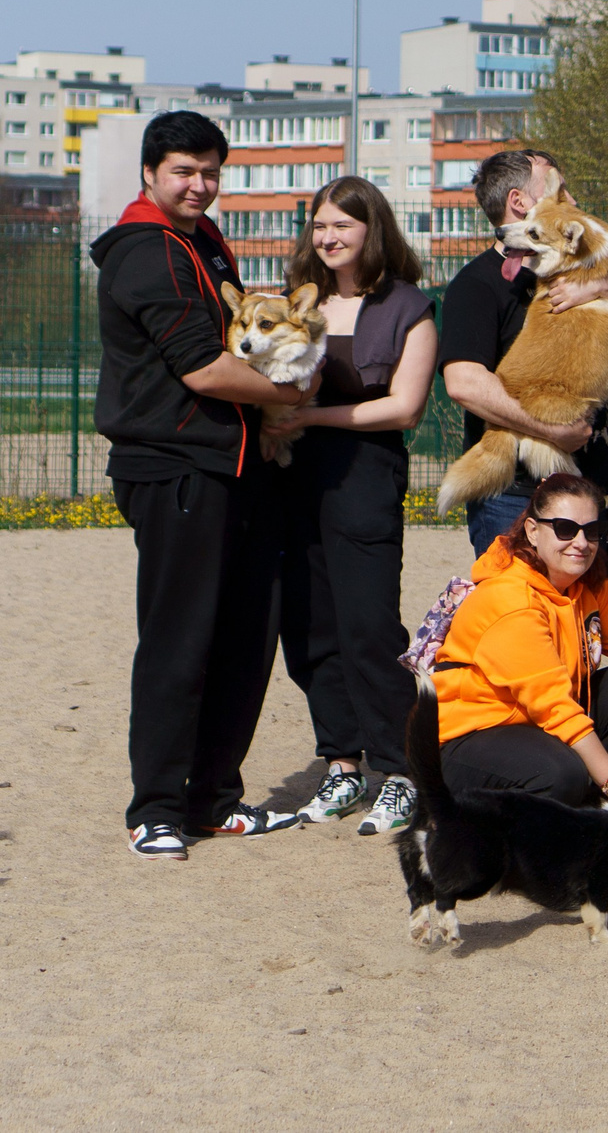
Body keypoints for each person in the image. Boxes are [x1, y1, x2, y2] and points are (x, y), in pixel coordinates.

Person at [95, 111, 317, 857]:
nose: (199, 184)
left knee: (244, 636)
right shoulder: (146, 252)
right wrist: (292, 393)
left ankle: (213, 798)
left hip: (235, 467)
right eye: (185, 170)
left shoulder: (203, 240)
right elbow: (202, 368)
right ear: (151, 173)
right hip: (177, 466)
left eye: (210, 171)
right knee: (179, 639)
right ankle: (155, 807)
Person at [266, 176, 437, 839]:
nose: (330, 237)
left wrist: (312, 413)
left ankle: (403, 770)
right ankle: (342, 762)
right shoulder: (294, 303)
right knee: (309, 629)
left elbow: (403, 406)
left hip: (363, 474)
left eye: (343, 224)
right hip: (291, 475)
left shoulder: (408, 306)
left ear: (374, 230)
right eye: (320, 226)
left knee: (369, 629)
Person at [438, 150, 608, 553]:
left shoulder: (584, 262)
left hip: (593, 484)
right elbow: (464, 384)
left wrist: (601, 286)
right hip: (516, 496)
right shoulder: (476, 284)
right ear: (521, 202)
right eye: (559, 189)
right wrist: (553, 431)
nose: (571, 200)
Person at [432, 474, 608, 811]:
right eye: (565, 529)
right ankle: (520, 844)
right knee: (558, 773)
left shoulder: (590, 587)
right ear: (533, 531)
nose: (581, 542)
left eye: (592, 531)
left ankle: (596, 813)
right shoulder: (510, 598)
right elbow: (556, 709)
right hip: (472, 736)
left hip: (540, 726)